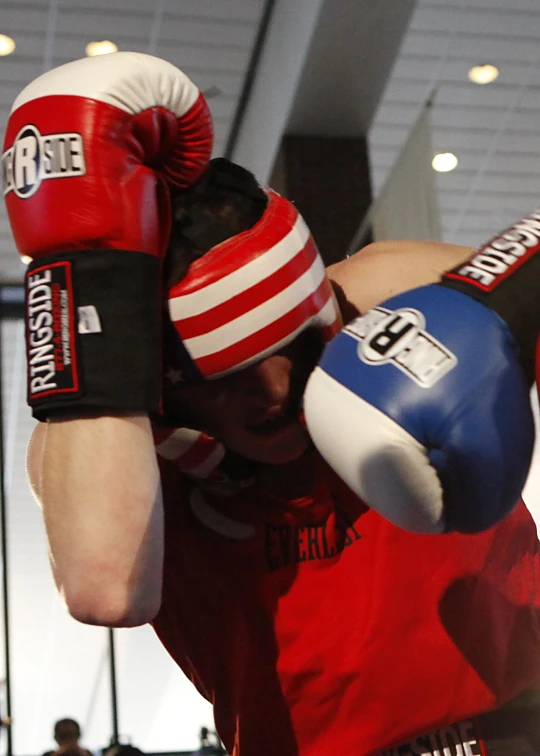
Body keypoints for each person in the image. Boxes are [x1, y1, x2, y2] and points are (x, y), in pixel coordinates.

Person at [6, 52, 540, 755]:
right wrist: (83, 271)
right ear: (160, 385)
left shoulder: (378, 294)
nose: (278, 391)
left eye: (294, 344)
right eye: (225, 374)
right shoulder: (108, 437)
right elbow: (106, 589)